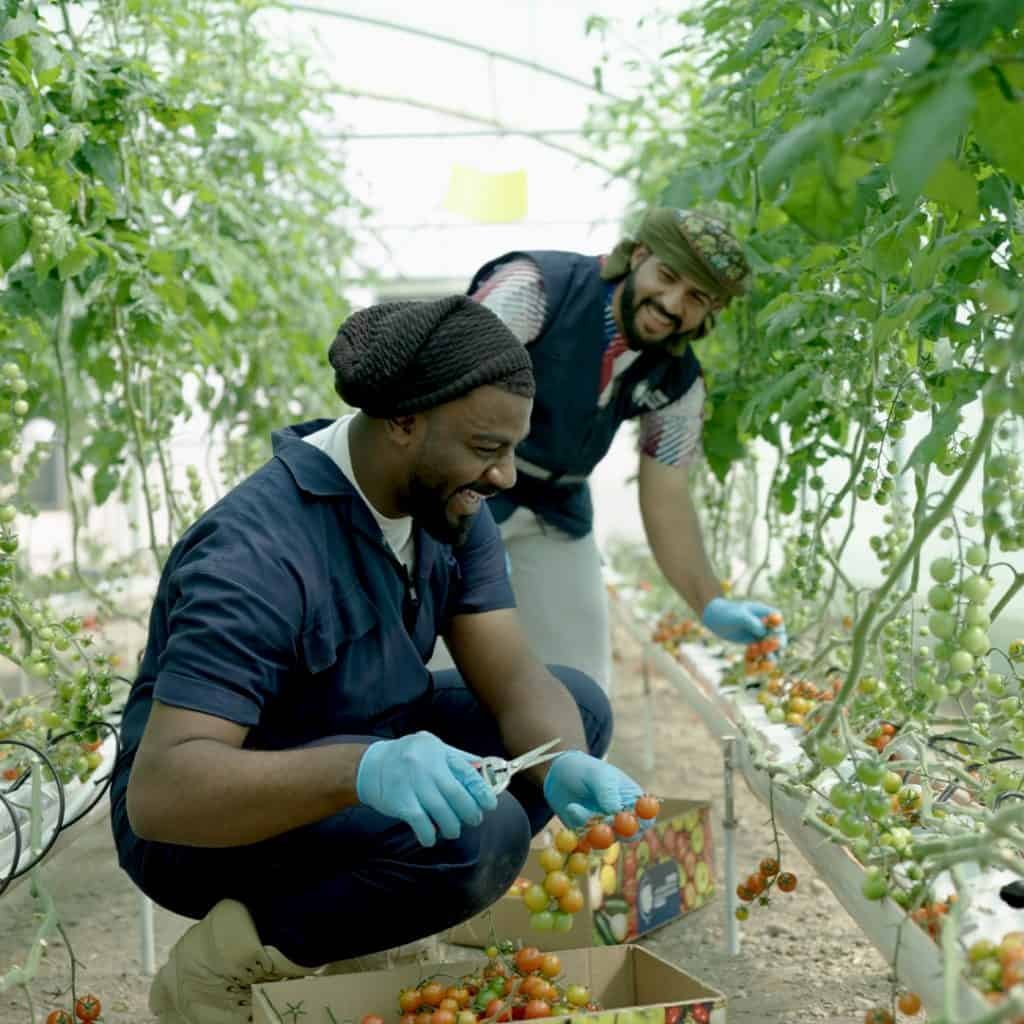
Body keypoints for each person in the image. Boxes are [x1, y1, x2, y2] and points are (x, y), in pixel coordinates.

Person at [109, 297, 645, 1024]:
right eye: (488, 448)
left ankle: (365, 922)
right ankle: (220, 966)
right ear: (402, 422)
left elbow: (514, 672)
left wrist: (565, 762)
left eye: (512, 448)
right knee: (480, 839)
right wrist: (363, 769)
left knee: (571, 710)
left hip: (355, 741)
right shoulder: (256, 553)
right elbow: (164, 796)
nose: (507, 476)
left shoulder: (446, 508)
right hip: (210, 823)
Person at [432, 207, 785, 692]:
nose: (672, 304)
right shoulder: (535, 289)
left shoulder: (679, 384)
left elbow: (667, 496)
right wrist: (460, 525)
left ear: (711, 312)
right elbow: (443, 397)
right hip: (461, 488)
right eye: (666, 276)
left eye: (696, 298)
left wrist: (710, 602)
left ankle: (555, 766)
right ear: (638, 255)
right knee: (435, 664)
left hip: (557, 508)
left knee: (581, 684)